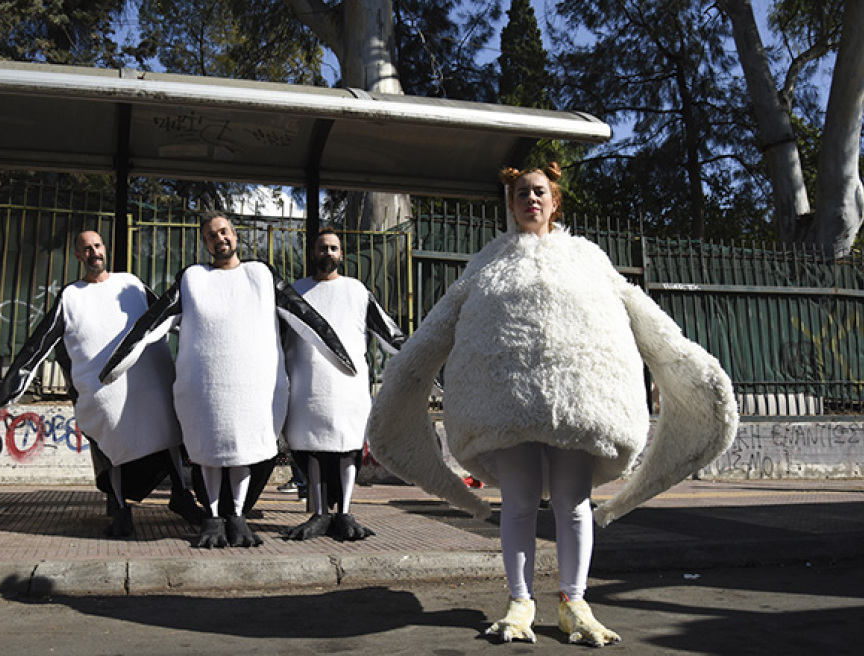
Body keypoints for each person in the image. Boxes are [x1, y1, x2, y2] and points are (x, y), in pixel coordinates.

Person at [367, 163, 738, 647]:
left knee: (574, 505)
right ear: (511, 202)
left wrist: (688, 364)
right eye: (521, 193)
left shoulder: (587, 258)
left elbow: (641, 315)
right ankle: (520, 601)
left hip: (582, 406)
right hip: (507, 409)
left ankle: (573, 602)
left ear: (555, 200)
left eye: (539, 192)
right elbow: (438, 327)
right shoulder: (488, 261)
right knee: (519, 505)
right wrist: (403, 377)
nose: (531, 200)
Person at [101, 211, 356, 549]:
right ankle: (214, 516)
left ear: (236, 236)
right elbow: (152, 323)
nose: (219, 239)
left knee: (243, 451)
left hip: (253, 390)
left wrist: (340, 357)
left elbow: (306, 318)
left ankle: (236, 514)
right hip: (203, 389)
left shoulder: (261, 275)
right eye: (211, 235)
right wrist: (115, 366)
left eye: (224, 232)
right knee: (208, 453)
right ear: (205, 243)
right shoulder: (192, 279)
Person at [0, 230, 204, 538]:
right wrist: (16, 380)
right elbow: (41, 341)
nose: (93, 252)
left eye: (97, 246)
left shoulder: (130, 283)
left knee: (169, 432)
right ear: (78, 256)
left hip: (150, 381)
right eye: (86, 249)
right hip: (105, 389)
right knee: (111, 443)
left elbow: (166, 314)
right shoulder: (71, 296)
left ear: (105, 248)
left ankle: (181, 497)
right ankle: (120, 510)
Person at [282, 228, 405, 541]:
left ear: (341, 254)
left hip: (348, 387)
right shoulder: (295, 292)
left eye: (334, 248)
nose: (328, 253)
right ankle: (320, 513)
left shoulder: (356, 291)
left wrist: (420, 352)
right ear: (313, 253)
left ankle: (346, 512)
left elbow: (388, 332)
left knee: (347, 449)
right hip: (307, 387)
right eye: (322, 248)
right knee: (312, 449)